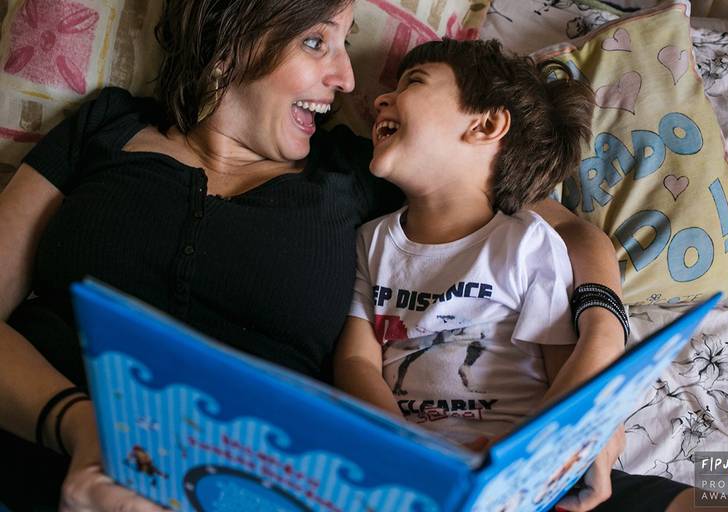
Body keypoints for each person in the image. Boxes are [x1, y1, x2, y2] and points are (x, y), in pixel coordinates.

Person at [0, 1, 627, 511]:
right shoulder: (106, 126)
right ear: (233, 34)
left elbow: (563, 229)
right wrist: (79, 426)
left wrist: (600, 360)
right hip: (31, 447)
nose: (349, 80)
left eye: (345, 45)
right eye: (316, 42)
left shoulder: (358, 175)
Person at [333, 39, 728, 512]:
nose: (380, 99)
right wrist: (407, 449)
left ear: (487, 124)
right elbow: (355, 361)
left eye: (413, 82)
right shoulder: (370, 240)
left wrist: (528, 458)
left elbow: (565, 370)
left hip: (530, 475)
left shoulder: (528, 241)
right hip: (415, 476)